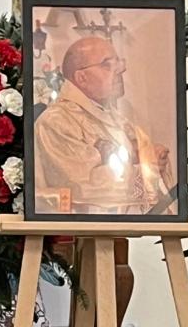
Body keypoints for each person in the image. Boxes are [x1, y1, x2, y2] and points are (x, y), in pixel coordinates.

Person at [33, 33, 175, 216]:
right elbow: (81, 186)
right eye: (107, 65)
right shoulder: (56, 121)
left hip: (122, 226)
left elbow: (142, 163)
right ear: (81, 78)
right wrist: (148, 168)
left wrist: (153, 158)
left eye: (118, 63)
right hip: (80, 231)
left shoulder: (115, 118)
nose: (120, 71)